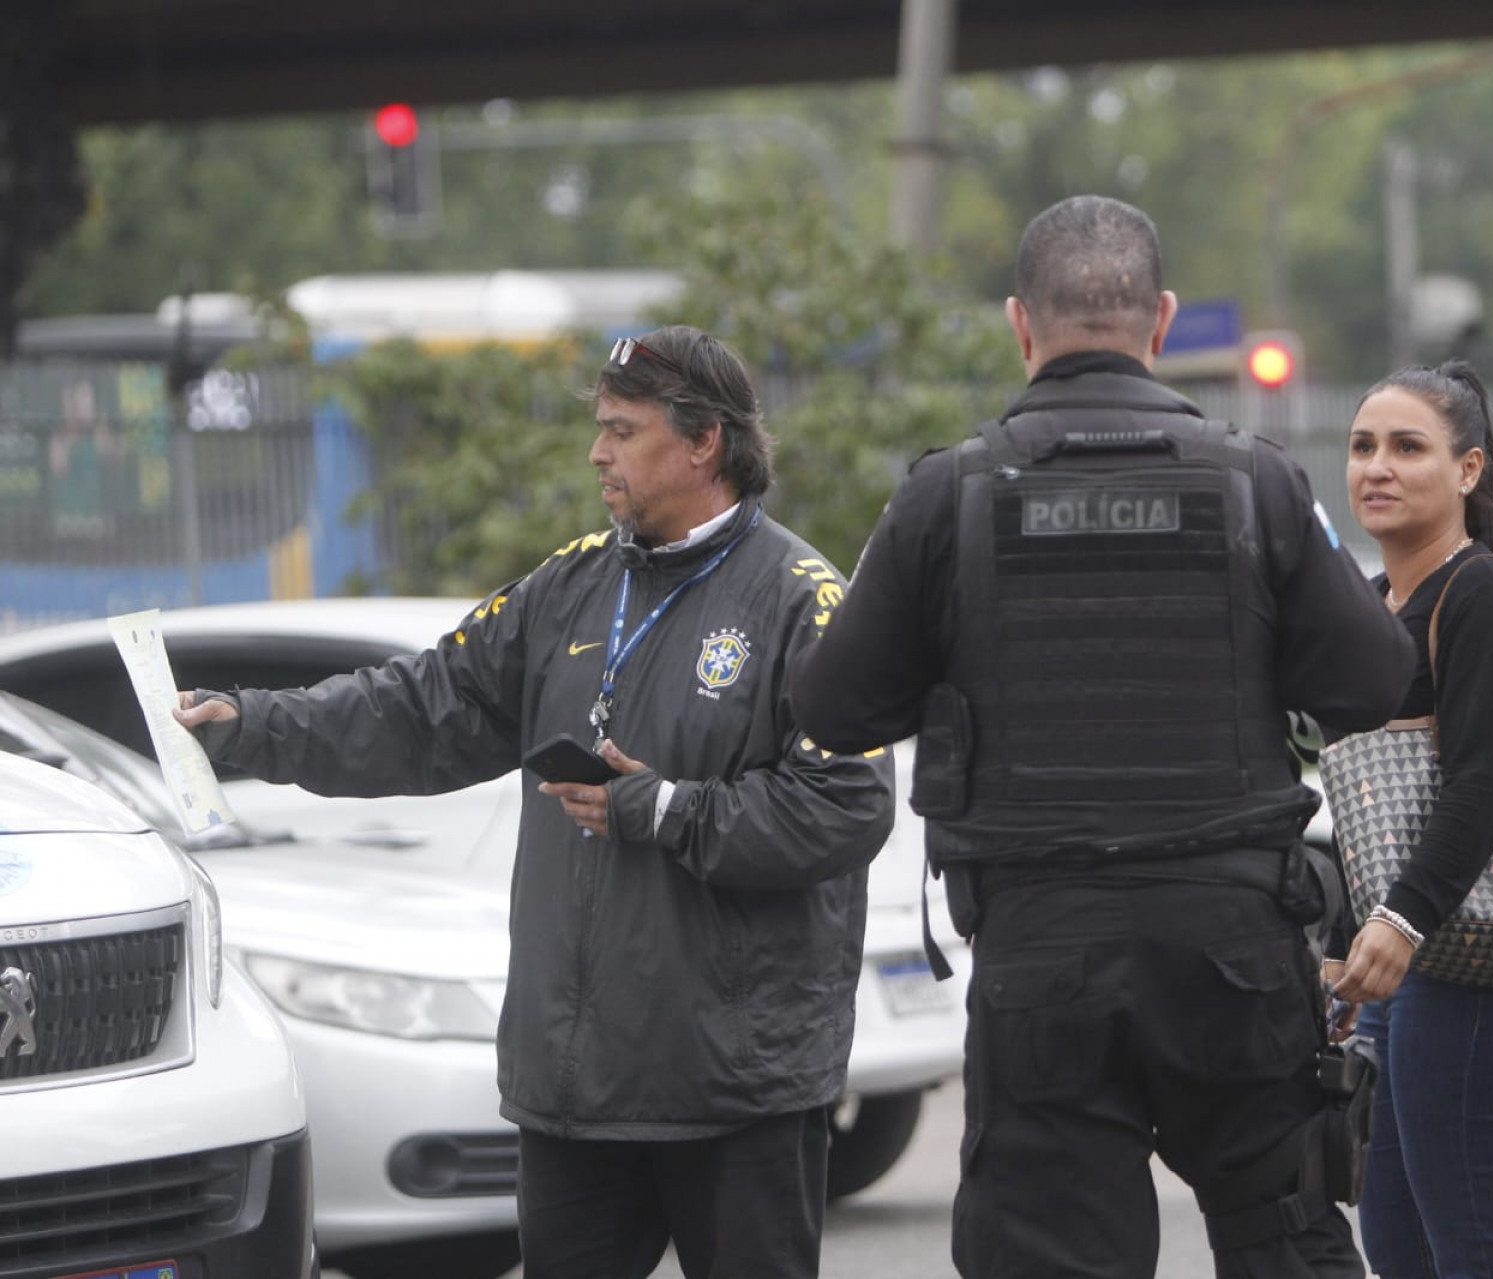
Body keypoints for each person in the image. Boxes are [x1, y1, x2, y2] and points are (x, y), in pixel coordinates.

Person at [174, 325, 895, 1279]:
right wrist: (248, 724)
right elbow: (422, 707)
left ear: (703, 442)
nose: (597, 452)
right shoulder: (572, 583)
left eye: (621, 430)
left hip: (737, 1090)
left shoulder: (802, 600)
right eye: (598, 428)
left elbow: (846, 805)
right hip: (574, 1088)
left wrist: (665, 809)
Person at [788, 194, 1414, 1279]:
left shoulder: (948, 497)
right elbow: (1373, 681)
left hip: (1044, 953)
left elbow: (833, 709)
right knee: (1287, 1239)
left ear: (1019, 325)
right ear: (1161, 321)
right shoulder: (1257, 482)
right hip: (1234, 947)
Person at [1331, 360, 1493, 1279]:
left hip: (1485, 967)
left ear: (1469, 470)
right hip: (1409, 974)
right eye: (1363, 447)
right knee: (1399, 1244)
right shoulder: (1370, 599)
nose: (1377, 468)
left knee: (1485, 1251)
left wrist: (1400, 916)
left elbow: (1483, 784)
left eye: (1408, 447)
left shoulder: (1488, 598)